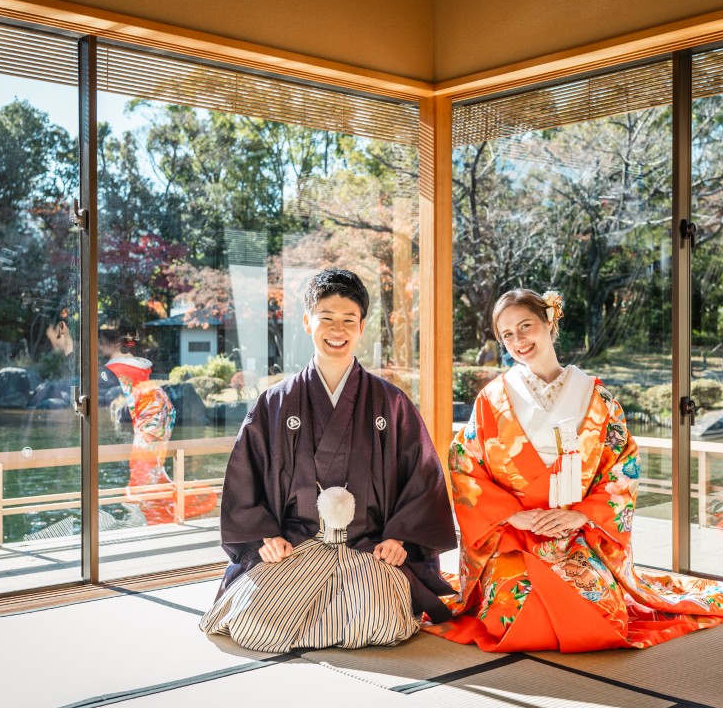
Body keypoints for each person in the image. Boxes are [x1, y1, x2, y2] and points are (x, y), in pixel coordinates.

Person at [427, 289, 723, 653]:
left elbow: (622, 466)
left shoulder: (596, 396)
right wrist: (514, 517)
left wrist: (580, 514)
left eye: (526, 326)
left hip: (576, 532)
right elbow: (464, 467)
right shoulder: (492, 398)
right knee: (513, 612)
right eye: (507, 335)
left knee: (604, 614)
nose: (518, 341)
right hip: (514, 535)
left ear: (550, 322)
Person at [200, 268, 457, 653]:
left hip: (367, 548)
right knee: (254, 623)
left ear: (361, 326)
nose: (338, 330)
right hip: (295, 544)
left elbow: (421, 476)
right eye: (327, 318)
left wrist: (400, 537)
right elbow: (245, 477)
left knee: (380, 621)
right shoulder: (276, 402)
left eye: (348, 320)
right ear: (307, 322)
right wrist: (264, 537)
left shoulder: (390, 402)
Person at [99, 328, 216, 525]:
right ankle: (161, 513)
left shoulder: (113, 367)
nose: (99, 347)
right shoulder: (132, 363)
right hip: (158, 405)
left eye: (101, 342)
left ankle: (159, 516)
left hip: (151, 409)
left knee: (144, 466)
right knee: (150, 467)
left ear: (115, 344)